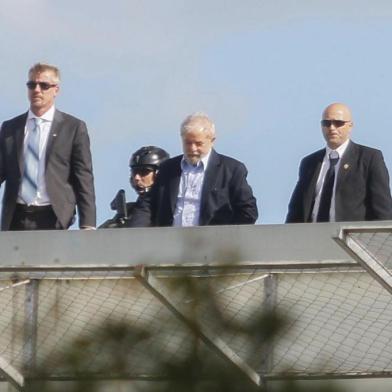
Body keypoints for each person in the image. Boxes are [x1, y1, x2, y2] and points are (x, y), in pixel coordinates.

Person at [0, 63, 96, 230]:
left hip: (54, 216)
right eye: (32, 85)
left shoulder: (73, 127)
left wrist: (88, 223)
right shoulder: (10, 128)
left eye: (44, 86)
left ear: (55, 90)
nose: (37, 90)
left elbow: (83, 178)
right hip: (16, 216)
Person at [130, 112, 258, 227]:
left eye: (198, 143)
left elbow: (248, 212)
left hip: (213, 247)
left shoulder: (231, 170)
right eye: (188, 143)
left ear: (212, 141)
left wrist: (226, 239)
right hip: (169, 246)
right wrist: (136, 235)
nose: (192, 148)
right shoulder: (167, 169)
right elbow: (147, 205)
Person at [286, 102, 392, 223]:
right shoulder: (310, 163)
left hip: (349, 238)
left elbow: (383, 209)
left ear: (350, 126)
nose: (332, 128)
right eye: (327, 123)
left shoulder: (369, 158)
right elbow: (297, 208)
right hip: (312, 237)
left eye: (338, 123)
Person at [99, 146, 169, 228]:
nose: (137, 178)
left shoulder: (174, 208)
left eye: (144, 172)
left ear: (159, 174)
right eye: (134, 172)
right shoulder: (130, 211)